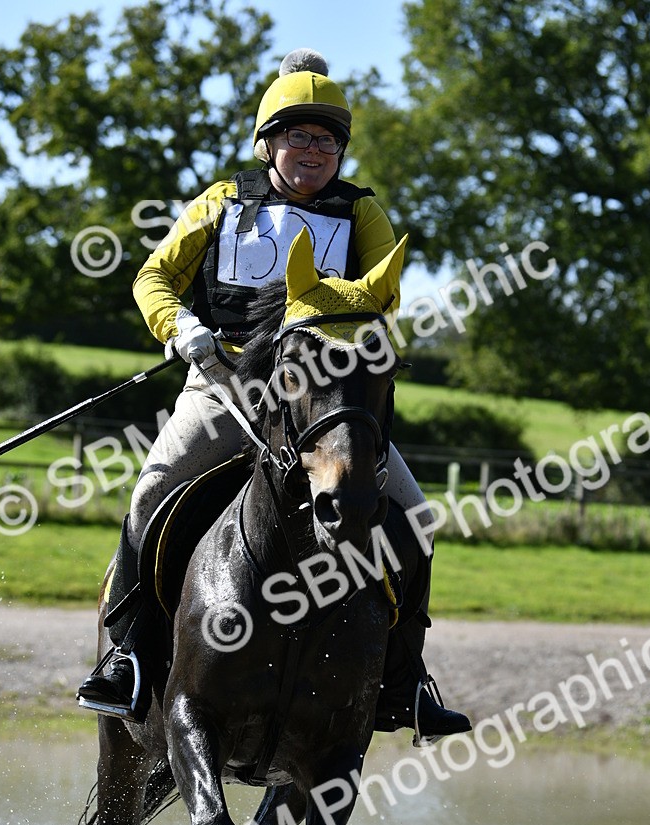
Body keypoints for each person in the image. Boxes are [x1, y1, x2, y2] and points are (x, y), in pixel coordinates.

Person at [78, 48, 470, 743]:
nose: (313, 151)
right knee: (150, 493)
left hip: (318, 398)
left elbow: (384, 294)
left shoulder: (362, 212)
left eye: (327, 140)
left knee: (414, 518)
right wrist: (184, 327)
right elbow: (152, 278)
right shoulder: (222, 203)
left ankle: (407, 681)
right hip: (225, 386)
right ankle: (128, 660)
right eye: (298, 136)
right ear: (268, 144)